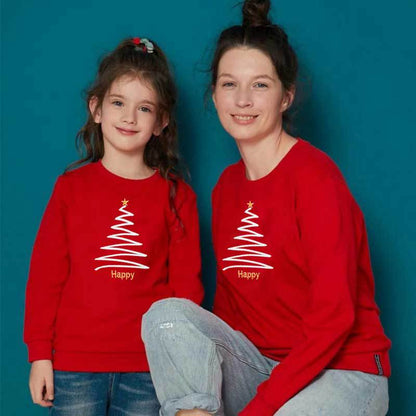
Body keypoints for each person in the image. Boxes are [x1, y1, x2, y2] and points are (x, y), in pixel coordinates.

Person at [141, 1, 391, 415]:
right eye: (228, 84)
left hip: (344, 373)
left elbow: (335, 319)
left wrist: (260, 409)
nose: (242, 100)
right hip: (262, 370)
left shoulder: (316, 179)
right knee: (165, 315)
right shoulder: (226, 189)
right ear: (214, 94)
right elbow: (231, 315)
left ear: (286, 96)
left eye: (260, 85)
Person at [24, 37, 204, 415]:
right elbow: (45, 276)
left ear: (161, 122)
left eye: (144, 108)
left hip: (148, 369)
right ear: (97, 108)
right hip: (74, 366)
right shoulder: (71, 188)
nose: (129, 117)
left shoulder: (177, 195)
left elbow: (185, 292)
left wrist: (177, 364)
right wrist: (40, 355)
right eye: (119, 103)